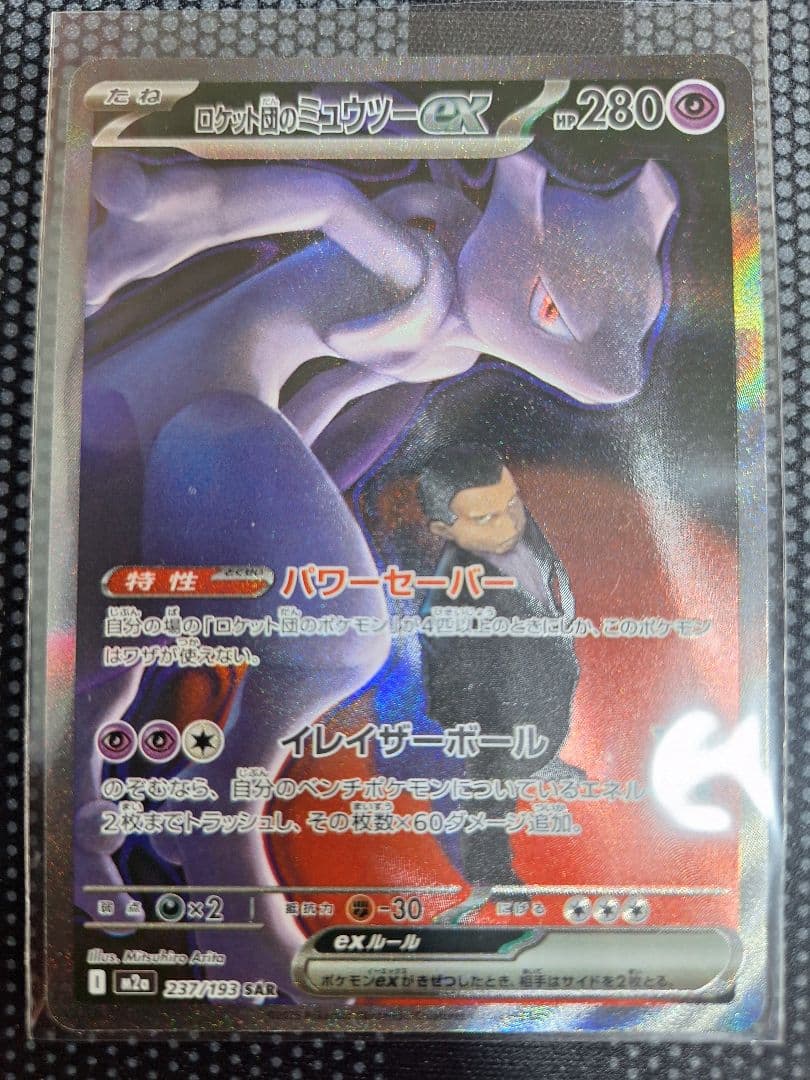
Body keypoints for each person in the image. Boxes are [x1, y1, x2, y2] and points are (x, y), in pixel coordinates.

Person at [418, 444, 582, 886]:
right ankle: (490, 873)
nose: (508, 524)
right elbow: (445, 657)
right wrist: (475, 720)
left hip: (541, 669)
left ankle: (539, 757)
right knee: (492, 786)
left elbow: (544, 570)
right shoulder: (453, 588)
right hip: (492, 706)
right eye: (485, 518)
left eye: (512, 504)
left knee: (546, 724)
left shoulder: (522, 533)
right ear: (443, 529)